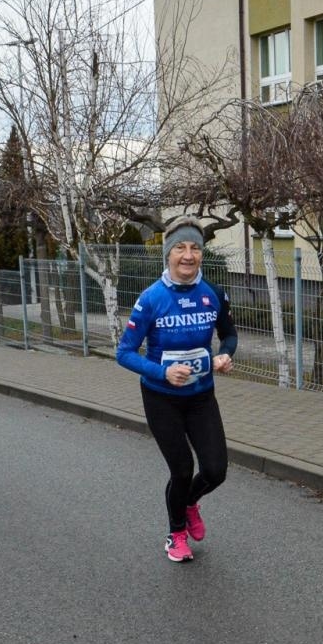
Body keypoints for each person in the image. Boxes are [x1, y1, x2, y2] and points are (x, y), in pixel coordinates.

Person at [115, 218, 238, 563]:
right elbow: (123, 353)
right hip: (161, 398)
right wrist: (163, 372)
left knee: (215, 470)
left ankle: (189, 502)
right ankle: (176, 534)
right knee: (182, 469)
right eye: (180, 248)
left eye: (195, 248)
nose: (188, 255)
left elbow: (229, 334)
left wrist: (227, 354)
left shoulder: (212, 294)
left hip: (200, 397)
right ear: (168, 254)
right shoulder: (151, 299)